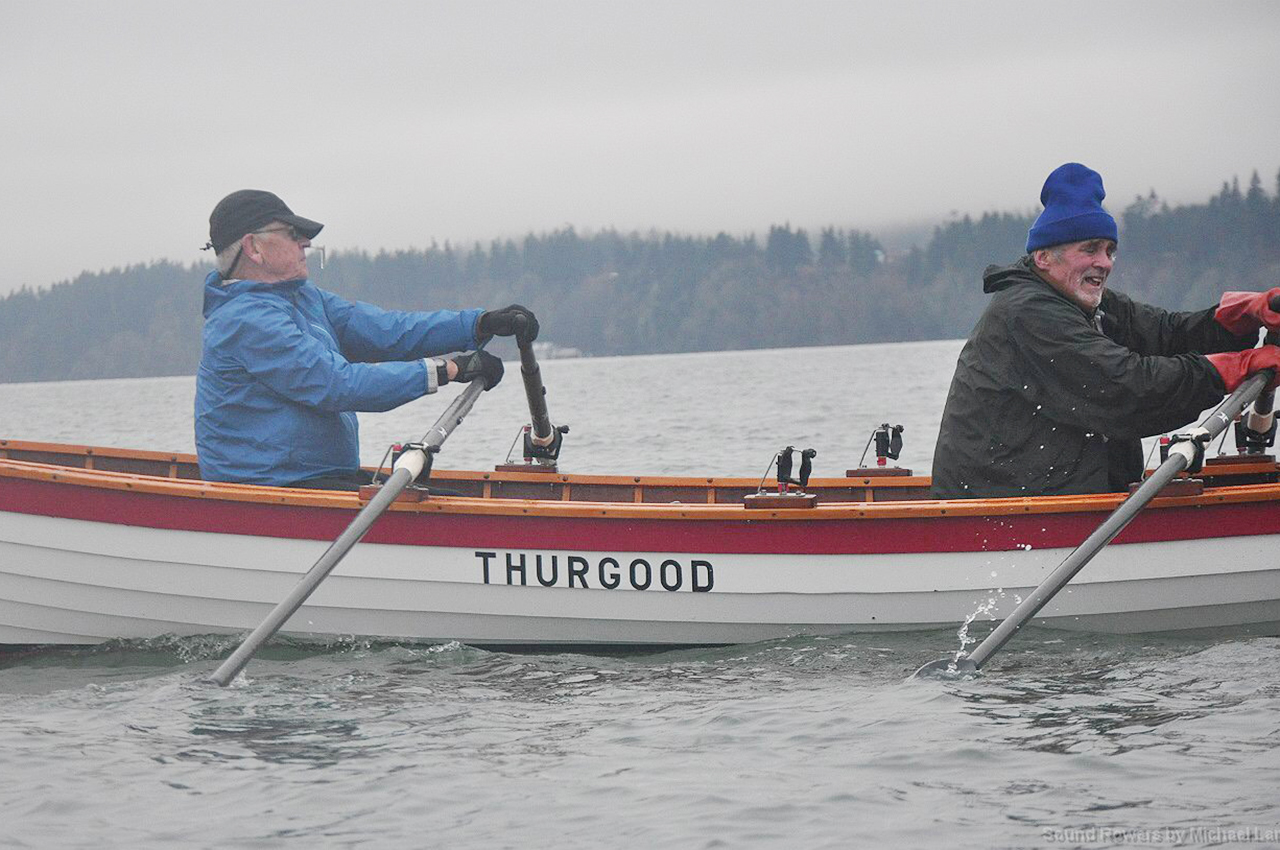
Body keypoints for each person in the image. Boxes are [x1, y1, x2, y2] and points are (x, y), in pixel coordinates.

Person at [931, 162, 1280, 499]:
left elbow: (1167, 334)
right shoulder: (1028, 313)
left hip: (1067, 501)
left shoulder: (1090, 304)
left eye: (1110, 250)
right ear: (1044, 258)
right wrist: (1237, 367)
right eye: (1090, 249)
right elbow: (1126, 387)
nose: (1105, 262)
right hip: (1003, 510)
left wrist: (1242, 316)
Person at [196, 189, 538, 488]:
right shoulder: (245, 320)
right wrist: (447, 370)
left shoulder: (305, 298)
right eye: (292, 234)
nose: (306, 243)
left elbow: (390, 332)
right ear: (254, 247)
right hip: (267, 487)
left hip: (314, 476)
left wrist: (478, 324)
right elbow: (338, 385)